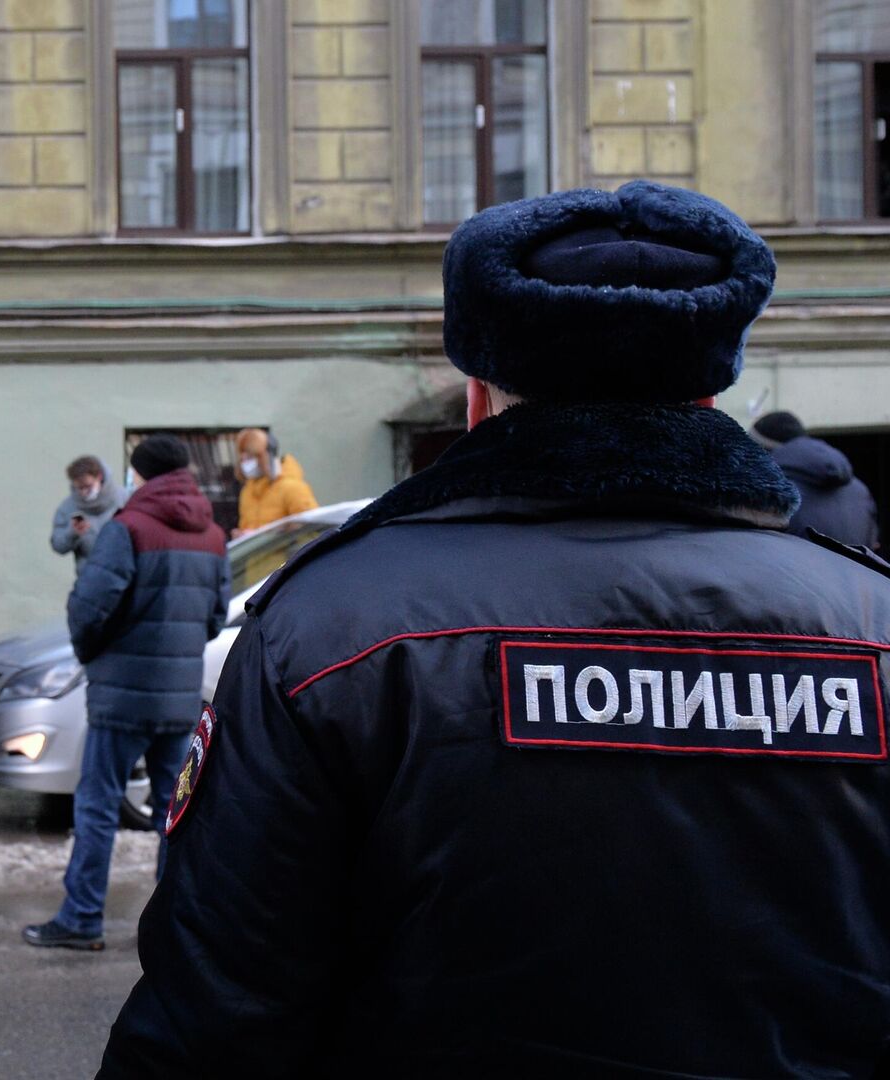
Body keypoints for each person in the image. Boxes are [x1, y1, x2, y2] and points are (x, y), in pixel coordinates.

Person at [100, 182, 890, 1077]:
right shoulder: (871, 621)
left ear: (477, 401)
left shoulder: (332, 628)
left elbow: (217, 1009)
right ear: (711, 400)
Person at [24, 435, 227, 952]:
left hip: (121, 697)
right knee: (174, 810)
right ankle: (172, 921)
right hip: (179, 698)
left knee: (96, 806)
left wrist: (91, 653)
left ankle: (82, 918)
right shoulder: (213, 536)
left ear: (140, 474)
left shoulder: (126, 529)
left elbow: (90, 607)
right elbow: (215, 618)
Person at [753, 410, 879, 548]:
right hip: (855, 570)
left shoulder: (768, 491)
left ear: (762, 449)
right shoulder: (859, 490)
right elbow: (872, 547)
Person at [233, 427, 317, 535]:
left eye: (250, 457)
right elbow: (246, 525)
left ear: (265, 456)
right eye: (242, 458)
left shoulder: (292, 487)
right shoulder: (248, 491)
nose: (245, 463)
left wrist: (277, 533)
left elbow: (312, 529)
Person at [50, 456, 127, 567]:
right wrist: (72, 533)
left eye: (88, 486)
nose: (85, 492)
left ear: (99, 477)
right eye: (80, 488)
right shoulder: (67, 508)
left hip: (124, 573)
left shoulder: (124, 498)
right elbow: (58, 546)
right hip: (89, 576)